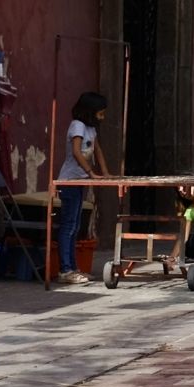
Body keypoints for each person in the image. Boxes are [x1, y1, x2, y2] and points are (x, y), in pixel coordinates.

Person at [53, 92, 109, 286]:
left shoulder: (91, 129)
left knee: (75, 226)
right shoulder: (77, 125)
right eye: (100, 113)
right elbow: (77, 152)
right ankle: (65, 269)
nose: (102, 117)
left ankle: (73, 267)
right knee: (68, 226)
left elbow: (97, 150)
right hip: (70, 180)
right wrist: (91, 172)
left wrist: (105, 172)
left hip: (81, 180)